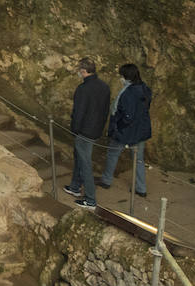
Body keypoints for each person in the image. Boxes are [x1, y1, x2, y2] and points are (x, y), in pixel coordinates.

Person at [98, 64, 152, 197]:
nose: (120, 78)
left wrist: (118, 127)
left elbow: (127, 115)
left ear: (127, 77)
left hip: (125, 132)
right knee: (138, 159)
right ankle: (141, 188)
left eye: (121, 76)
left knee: (112, 154)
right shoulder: (145, 88)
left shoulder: (128, 93)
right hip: (141, 130)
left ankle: (106, 180)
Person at [64, 58, 110, 209]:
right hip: (96, 130)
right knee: (80, 157)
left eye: (79, 70)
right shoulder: (104, 87)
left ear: (83, 71)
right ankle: (75, 187)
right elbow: (105, 111)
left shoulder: (83, 89)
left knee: (85, 163)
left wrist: (75, 129)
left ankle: (90, 199)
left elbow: (79, 112)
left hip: (84, 131)